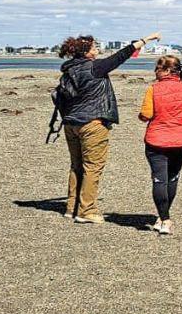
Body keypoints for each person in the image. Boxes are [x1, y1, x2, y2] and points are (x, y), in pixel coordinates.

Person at [57, 31, 159, 223]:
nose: (97, 50)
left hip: (71, 123)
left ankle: (72, 207)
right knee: (92, 167)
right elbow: (121, 55)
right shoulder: (95, 67)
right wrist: (146, 40)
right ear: (86, 52)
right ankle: (87, 210)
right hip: (92, 123)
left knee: (76, 165)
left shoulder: (68, 69)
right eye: (94, 47)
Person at [138, 54, 182, 235]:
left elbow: (146, 115)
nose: (155, 72)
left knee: (159, 179)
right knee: (172, 178)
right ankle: (163, 218)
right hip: (181, 140)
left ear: (166, 70)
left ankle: (164, 219)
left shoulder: (153, 89)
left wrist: (142, 116)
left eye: (157, 68)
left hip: (156, 140)